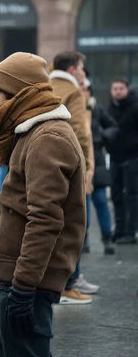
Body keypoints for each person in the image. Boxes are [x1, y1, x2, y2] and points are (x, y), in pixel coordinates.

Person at [0, 52, 86, 356]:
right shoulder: (31, 134)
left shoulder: (47, 138)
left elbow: (44, 220)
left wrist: (23, 289)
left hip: (27, 282)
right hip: (15, 278)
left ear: (20, 94)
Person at [49, 51, 98, 302]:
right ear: (71, 70)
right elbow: (80, 133)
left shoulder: (45, 86)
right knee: (76, 226)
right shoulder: (72, 92)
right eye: (80, 67)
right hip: (72, 168)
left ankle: (58, 282)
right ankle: (67, 285)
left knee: (52, 225)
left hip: (48, 165)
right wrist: (87, 168)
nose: (82, 72)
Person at [82, 78, 116, 254]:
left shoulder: (97, 109)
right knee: (83, 204)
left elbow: (112, 126)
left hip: (98, 161)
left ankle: (107, 238)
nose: (83, 91)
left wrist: (102, 136)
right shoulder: (72, 108)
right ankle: (84, 238)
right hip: (82, 162)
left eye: (86, 88)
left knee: (101, 200)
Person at [107, 79, 138, 245]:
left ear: (127, 89)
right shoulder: (111, 107)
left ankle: (131, 231)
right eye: (115, 88)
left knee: (132, 196)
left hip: (132, 157)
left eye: (121, 88)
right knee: (116, 195)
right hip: (115, 158)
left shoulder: (135, 107)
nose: (117, 91)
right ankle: (119, 230)